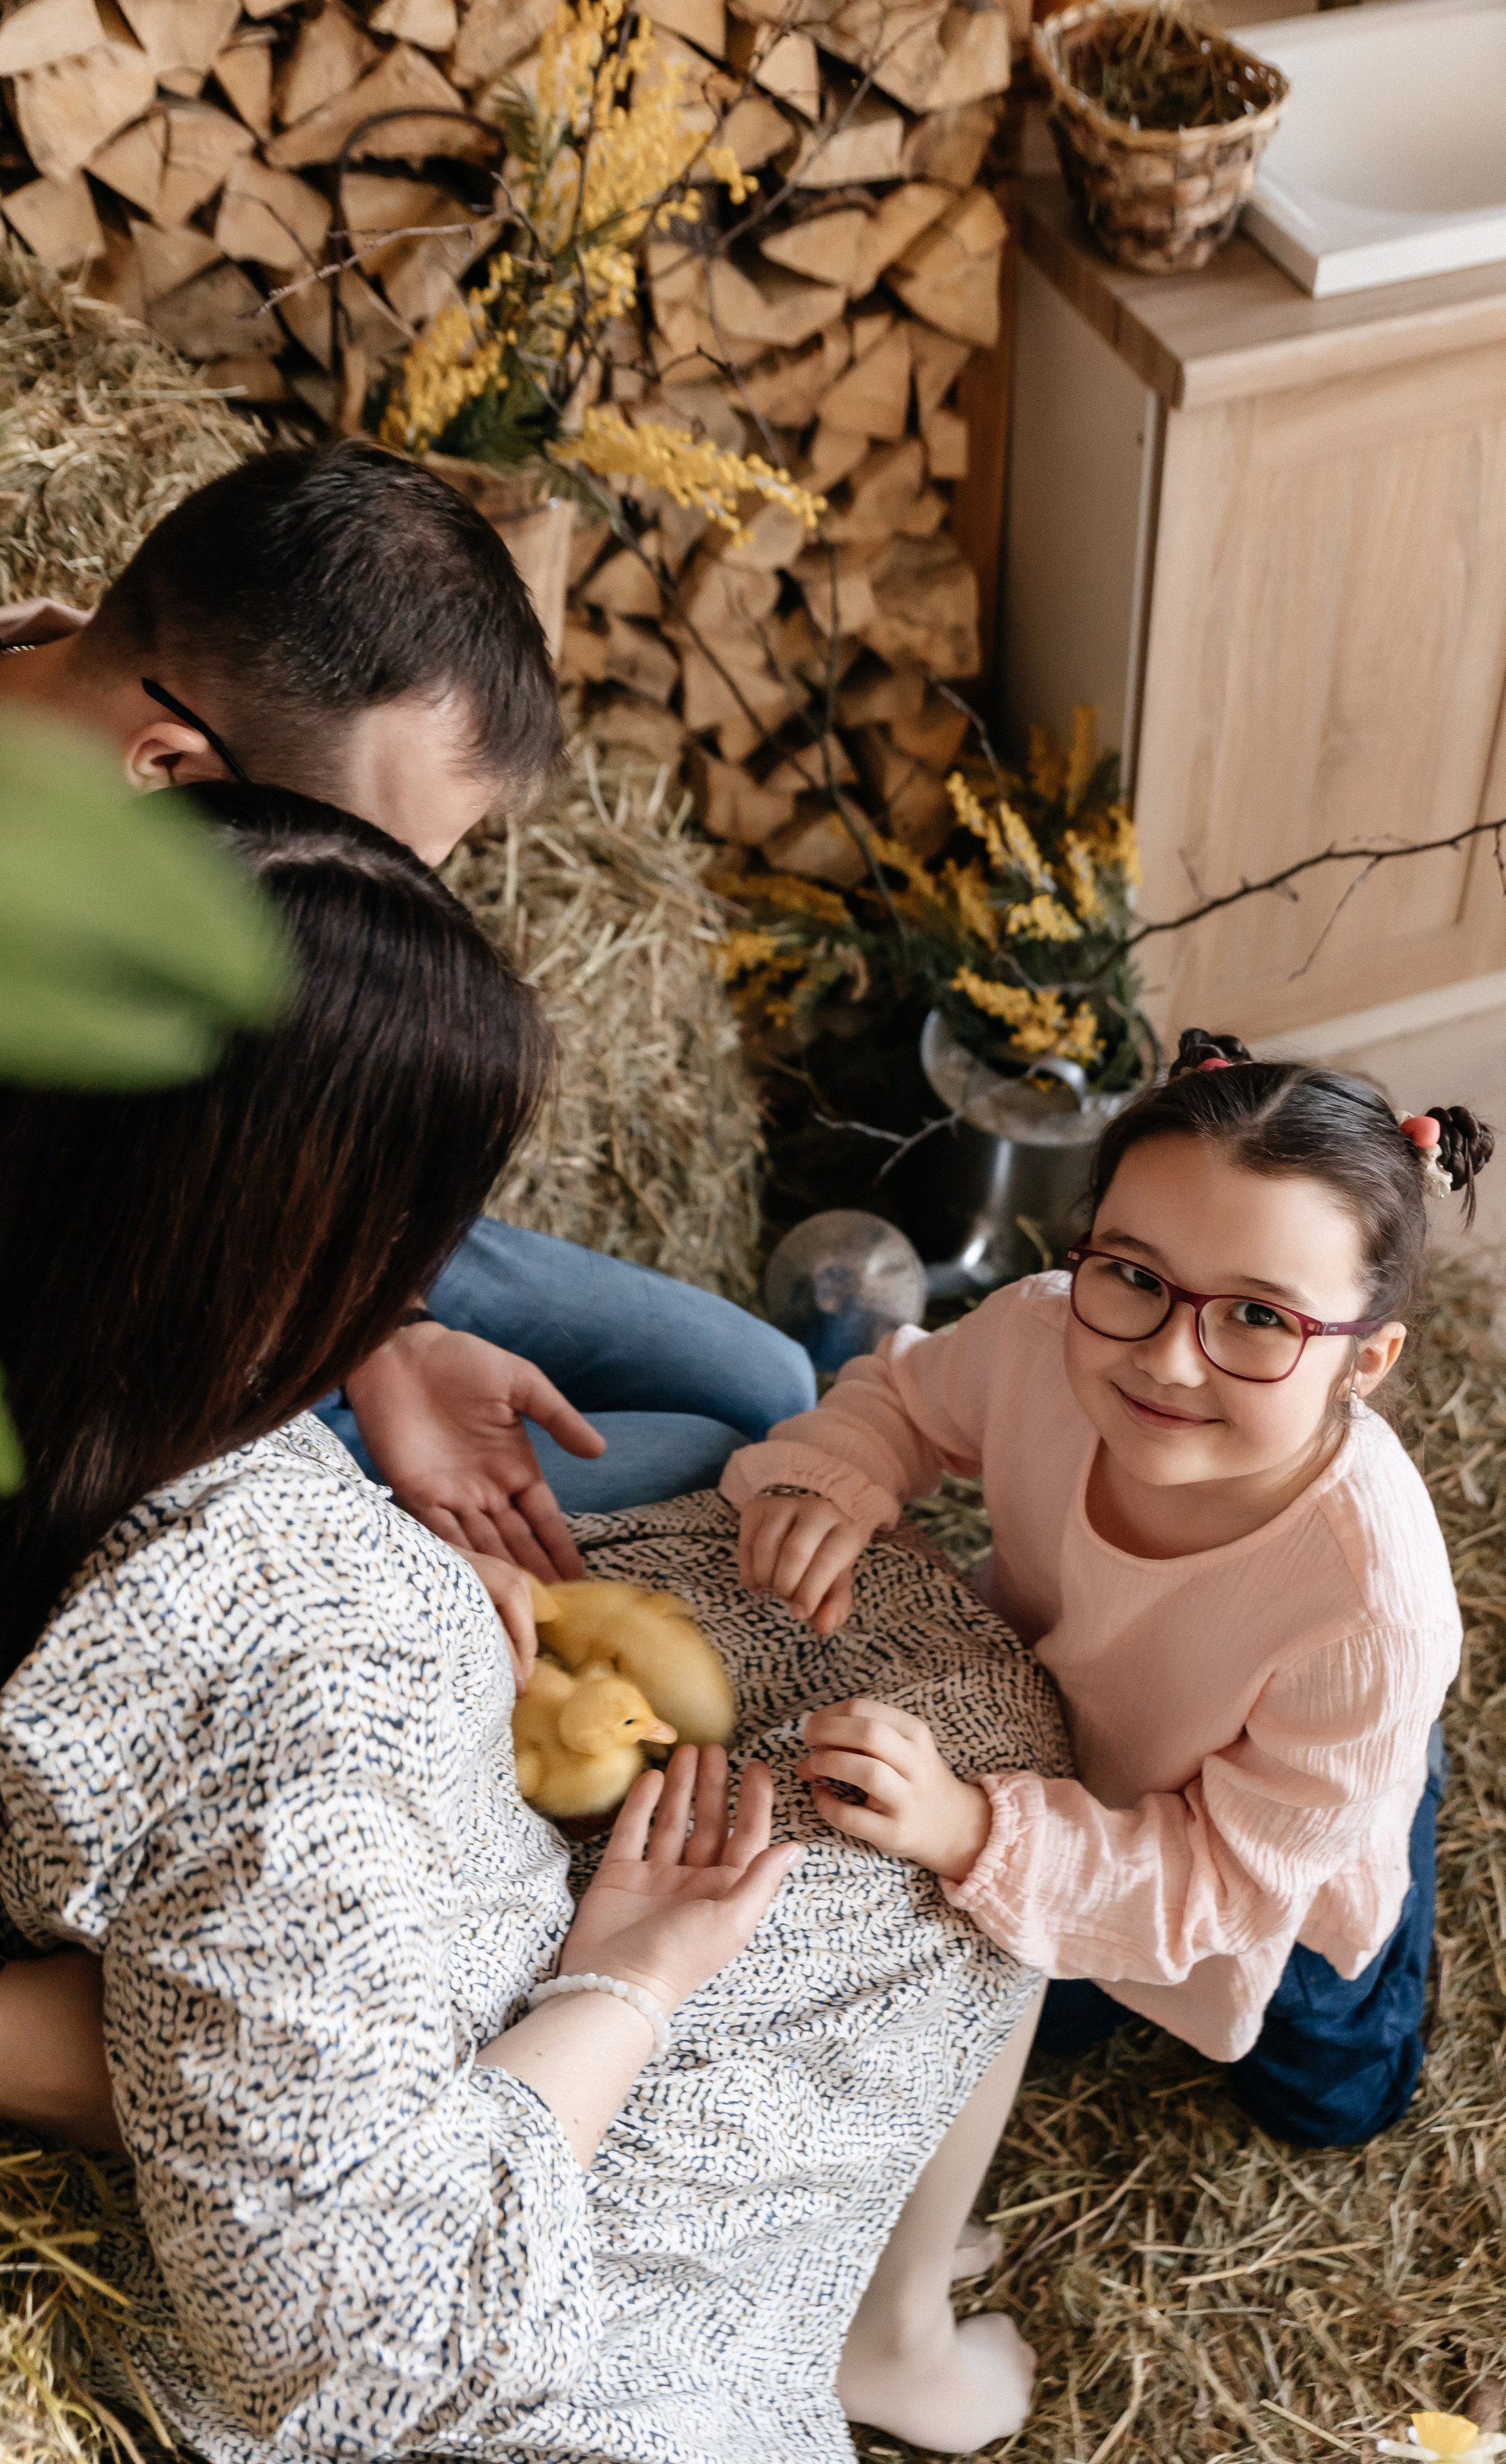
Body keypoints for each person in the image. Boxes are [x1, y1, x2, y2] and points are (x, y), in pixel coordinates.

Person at [0, 786, 1050, 2461]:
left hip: (388, 1811)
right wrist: (628, 1981)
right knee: (955, 1885)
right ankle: (881, 2338)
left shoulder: (109, 1380)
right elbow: (359, 2346)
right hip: (478, 2035)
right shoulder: (274, 1650)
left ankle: (887, 2314)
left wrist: (410, 1549)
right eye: (407, 1252)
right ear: (280, 1250)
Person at [0, 440, 816, 1574]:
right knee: (708, 1456)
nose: (410, 931)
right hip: (154, 1315)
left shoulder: (106, 722)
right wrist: (368, 1547)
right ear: (177, 775)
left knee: (774, 1392)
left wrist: (388, 1325)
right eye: (366, 865)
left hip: (303, 1203)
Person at [728, 1029, 1496, 2175]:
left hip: (1253, 1859)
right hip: (1070, 1742)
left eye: (1259, 1318)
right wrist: (831, 1476)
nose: (1171, 1362)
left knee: (1327, 2092)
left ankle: (1397, 1793)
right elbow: (903, 1398)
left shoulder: (1372, 1611)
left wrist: (975, 1831)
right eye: (1136, 1276)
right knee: (999, 1996)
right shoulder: (1044, 1335)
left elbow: (1223, 1886)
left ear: (1366, 1362)